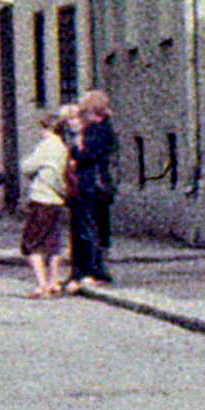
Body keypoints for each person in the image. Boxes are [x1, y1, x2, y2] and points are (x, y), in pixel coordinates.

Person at [69, 88, 120, 289]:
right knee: (93, 227)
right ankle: (83, 270)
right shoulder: (105, 128)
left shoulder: (98, 130)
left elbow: (85, 155)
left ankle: (92, 270)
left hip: (92, 185)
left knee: (89, 228)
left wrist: (75, 141)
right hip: (97, 185)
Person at [22, 107, 75, 297]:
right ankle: (54, 282)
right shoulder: (63, 147)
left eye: (42, 128)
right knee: (53, 243)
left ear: (47, 129)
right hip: (58, 200)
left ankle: (41, 284)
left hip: (41, 197)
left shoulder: (47, 145)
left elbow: (27, 167)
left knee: (33, 243)